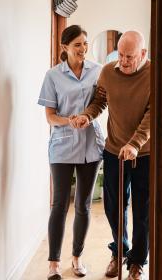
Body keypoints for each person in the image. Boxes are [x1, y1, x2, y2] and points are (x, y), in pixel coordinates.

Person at [71, 31, 150, 280]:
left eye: (130, 57)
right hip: (114, 150)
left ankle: (137, 262)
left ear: (143, 54)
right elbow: (99, 101)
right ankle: (120, 251)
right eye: (121, 55)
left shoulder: (155, 74)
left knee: (142, 209)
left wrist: (135, 144)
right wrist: (87, 115)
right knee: (113, 207)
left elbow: (153, 115)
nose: (124, 61)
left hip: (144, 153)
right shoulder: (108, 72)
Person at [38, 25, 104, 280]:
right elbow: (50, 117)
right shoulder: (52, 76)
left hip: (90, 145)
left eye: (85, 43)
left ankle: (76, 259)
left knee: (84, 206)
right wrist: (70, 121)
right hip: (62, 146)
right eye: (77, 44)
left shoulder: (97, 71)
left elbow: (102, 102)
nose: (83, 49)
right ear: (64, 47)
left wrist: (86, 118)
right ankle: (54, 263)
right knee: (59, 205)